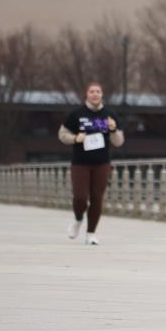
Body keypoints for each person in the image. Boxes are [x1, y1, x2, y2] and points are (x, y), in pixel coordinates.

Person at [58, 82, 124, 245]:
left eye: (98, 92)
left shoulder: (109, 115)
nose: (95, 94)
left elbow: (118, 142)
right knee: (80, 197)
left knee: (97, 198)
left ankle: (91, 234)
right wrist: (75, 138)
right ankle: (78, 218)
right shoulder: (76, 114)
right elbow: (62, 134)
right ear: (86, 95)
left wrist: (113, 130)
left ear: (102, 95)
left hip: (102, 163)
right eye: (92, 91)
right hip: (80, 162)